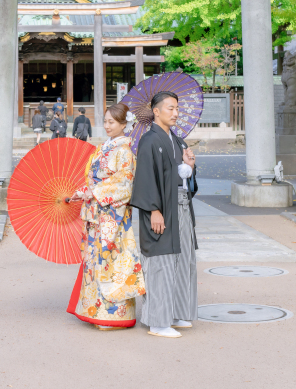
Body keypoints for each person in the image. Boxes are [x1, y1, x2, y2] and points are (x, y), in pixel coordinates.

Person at [67, 103, 145, 329]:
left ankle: (114, 316)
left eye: (112, 122)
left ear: (124, 124)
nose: (107, 125)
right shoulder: (103, 148)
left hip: (113, 217)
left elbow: (124, 184)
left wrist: (95, 192)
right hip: (95, 214)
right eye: (106, 121)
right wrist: (83, 192)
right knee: (94, 262)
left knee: (112, 262)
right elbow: (94, 180)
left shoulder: (125, 151)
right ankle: (95, 310)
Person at [130, 91, 198, 339]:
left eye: (177, 108)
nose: (176, 113)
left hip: (181, 207)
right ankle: (158, 321)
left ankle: (178, 312)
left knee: (183, 259)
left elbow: (181, 177)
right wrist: (154, 211)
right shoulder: (150, 140)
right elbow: (146, 178)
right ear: (155, 111)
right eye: (170, 108)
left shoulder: (177, 141)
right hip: (161, 209)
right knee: (161, 262)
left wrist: (189, 166)